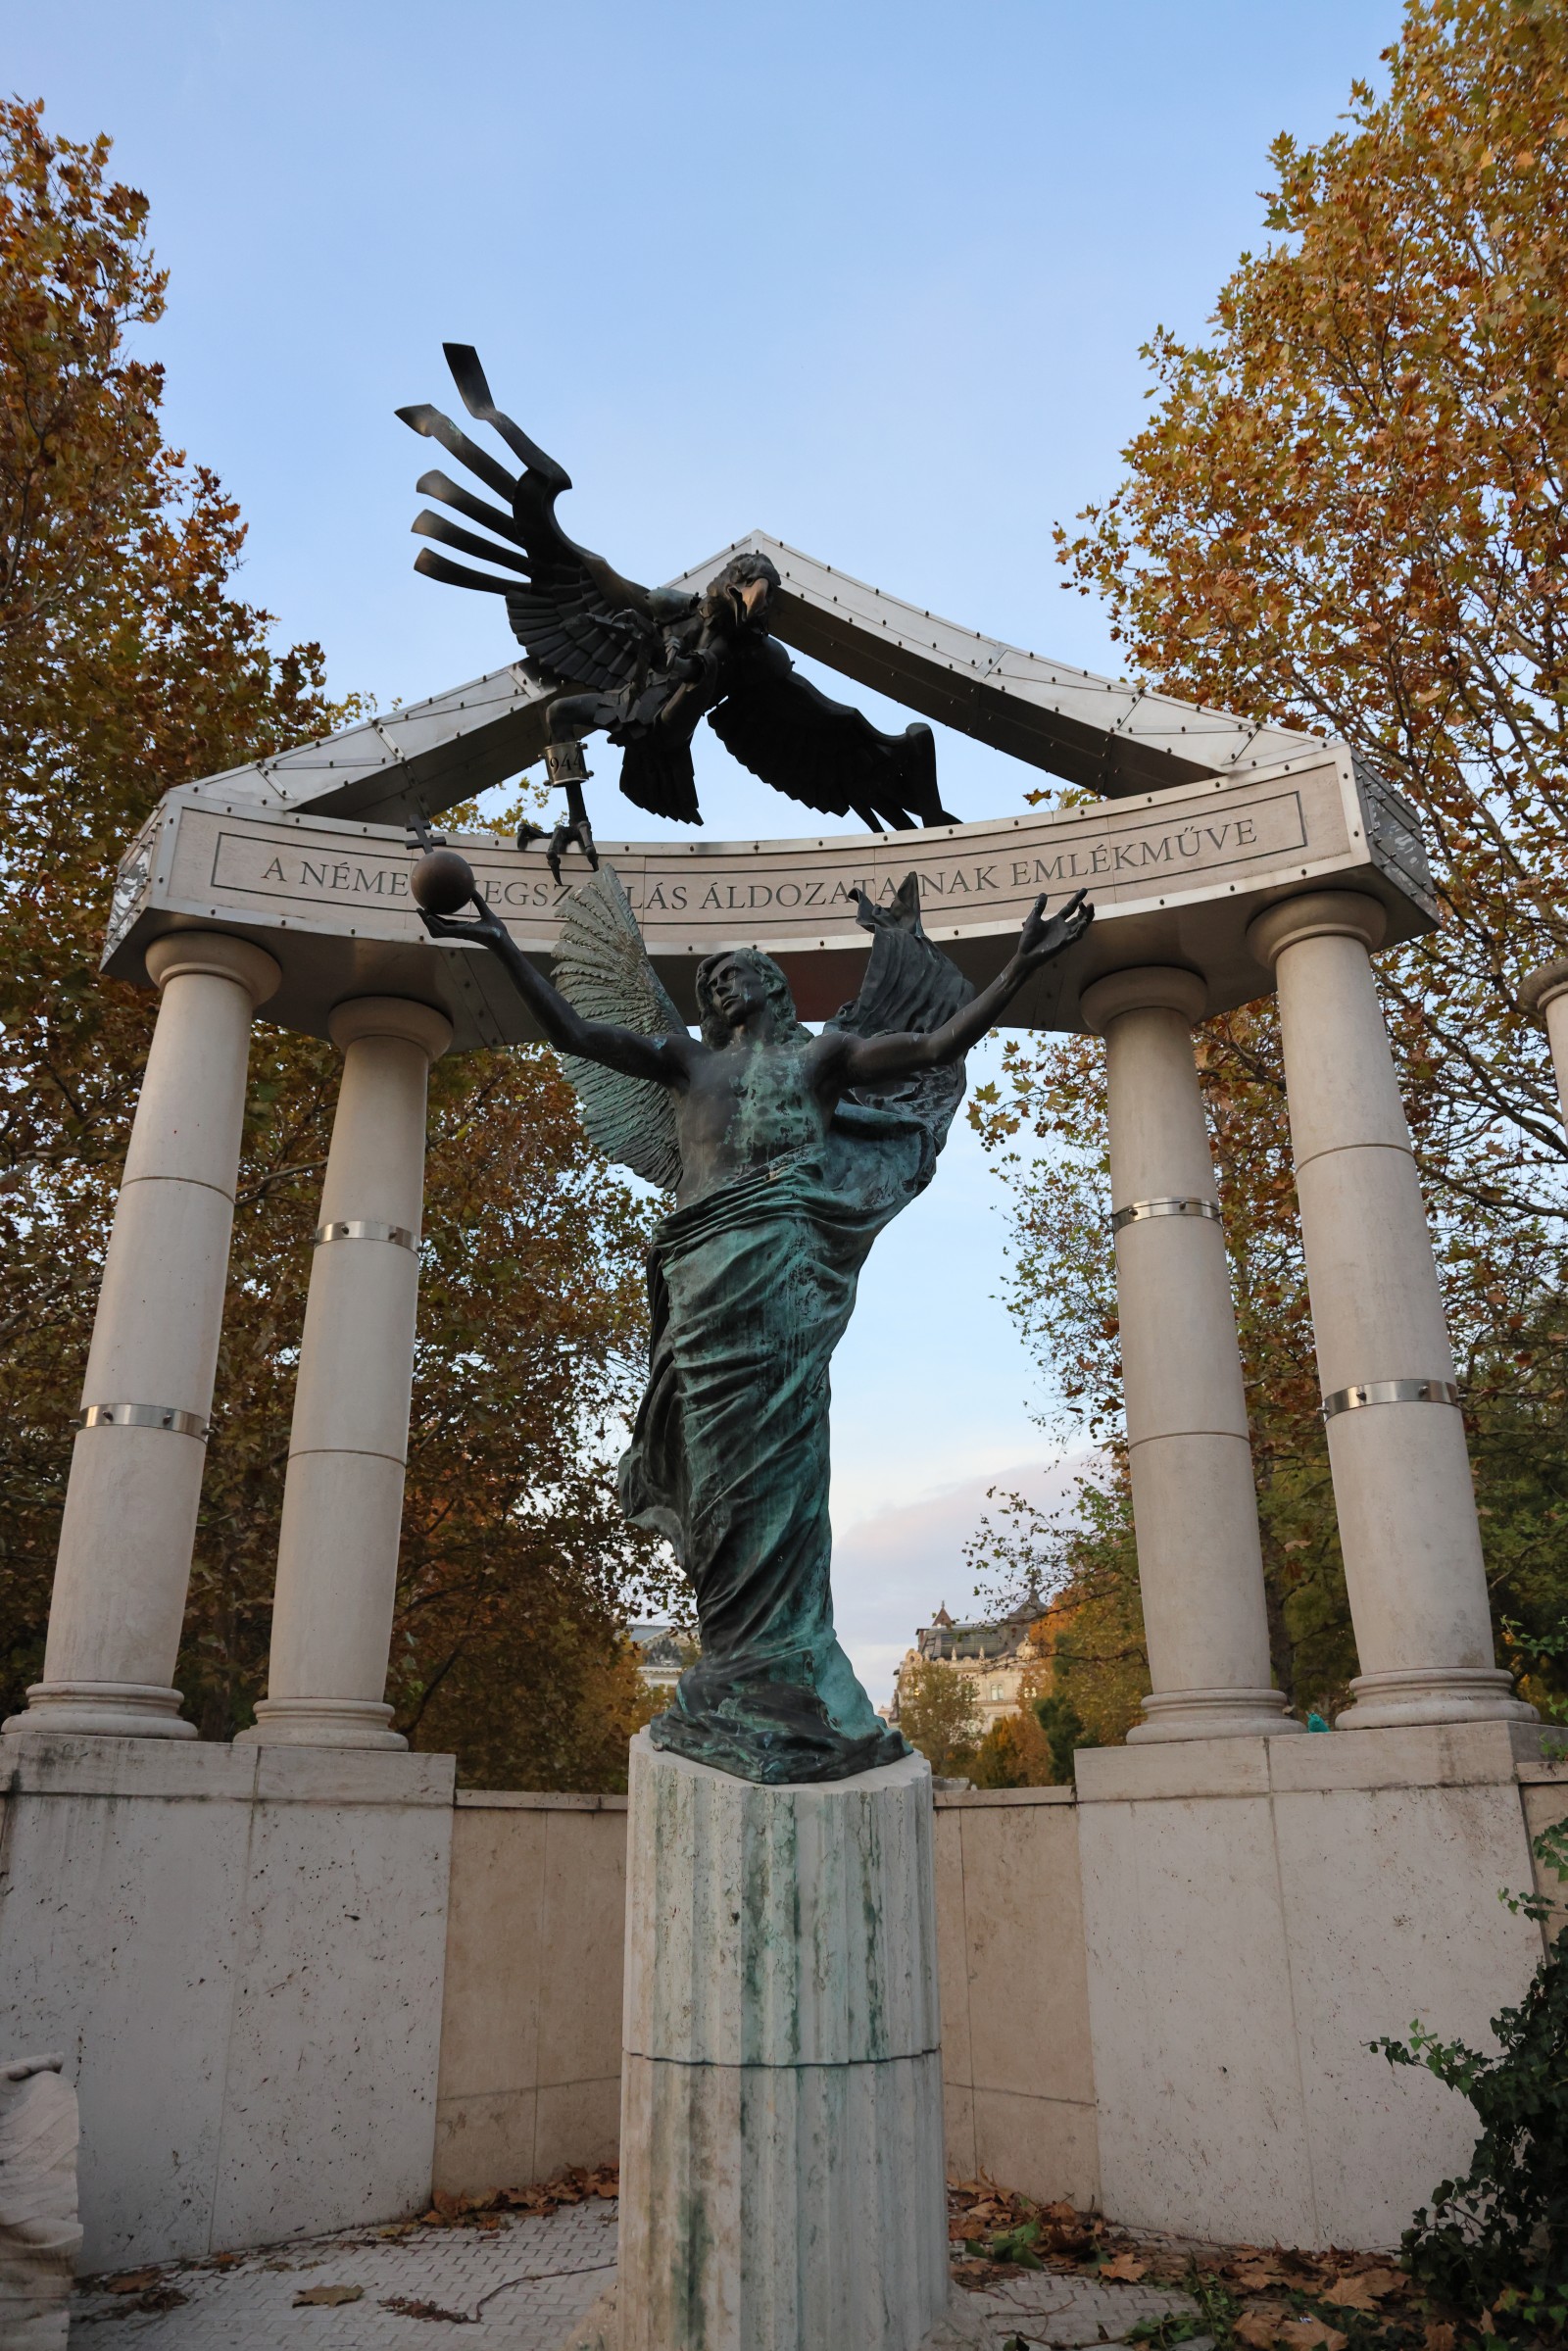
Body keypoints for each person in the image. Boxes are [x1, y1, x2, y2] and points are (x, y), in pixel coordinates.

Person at [420, 876, 1093, 1782]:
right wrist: (500, 942)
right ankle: (735, 1661)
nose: (713, 987)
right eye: (705, 984)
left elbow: (935, 1042)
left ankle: (784, 1664)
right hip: (699, 1275)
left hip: (784, 1268)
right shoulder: (688, 1064)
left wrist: (1014, 969)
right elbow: (579, 1034)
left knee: (781, 1456)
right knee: (712, 1470)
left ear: (773, 985)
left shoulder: (823, 1059)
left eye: (731, 973)